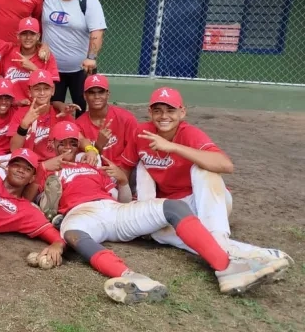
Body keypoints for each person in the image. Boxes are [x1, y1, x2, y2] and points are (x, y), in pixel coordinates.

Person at [41, 122, 288, 304]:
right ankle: (133, 279)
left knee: (172, 206)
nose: (67, 147)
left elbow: (124, 200)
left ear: (79, 143)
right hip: (78, 213)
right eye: (61, 143)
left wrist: (123, 182)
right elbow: (31, 200)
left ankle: (226, 268)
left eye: (72, 142)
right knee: (74, 234)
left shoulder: (93, 164)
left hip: (114, 208)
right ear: (51, 144)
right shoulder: (44, 168)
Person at [119, 87, 293, 267]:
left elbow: (226, 165)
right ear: (150, 112)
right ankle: (242, 253)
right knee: (155, 226)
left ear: (182, 112)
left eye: (170, 110)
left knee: (203, 168)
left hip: (206, 202)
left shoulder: (189, 133)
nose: (164, 116)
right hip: (175, 209)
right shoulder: (142, 133)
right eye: (158, 110)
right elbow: (124, 168)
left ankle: (218, 237)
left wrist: (173, 148)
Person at [40, 0, 107, 116]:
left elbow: (97, 31)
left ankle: (81, 138)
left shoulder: (88, 0)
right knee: (53, 109)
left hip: (80, 70)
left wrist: (91, 58)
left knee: (82, 108)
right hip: (52, 69)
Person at [75, 74, 137, 164]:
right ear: (85, 96)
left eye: (101, 92)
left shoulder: (126, 118)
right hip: (95, 173)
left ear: (108, 94)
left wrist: (122, 173)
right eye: (91, 92)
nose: (97, 96)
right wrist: (98, 145)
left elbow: (134, 150)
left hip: (122, 170)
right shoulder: (79, 124)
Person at [1, 17, 58, 106]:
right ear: (18, 36)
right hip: (12, 108)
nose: (28, 37)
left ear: (38, 36)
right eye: (24, 34)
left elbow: (51, 86)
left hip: (37, 108)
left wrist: (34, 69)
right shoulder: (8, 53)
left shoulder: (47, 57)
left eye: (32, 34)